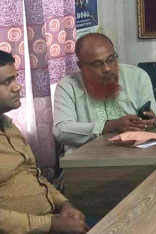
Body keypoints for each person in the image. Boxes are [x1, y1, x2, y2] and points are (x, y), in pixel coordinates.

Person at [0, 50, 90, 234]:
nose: (17, 87)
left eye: (15, 79)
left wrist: (64, 204)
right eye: (6, 82)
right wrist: (51, 225)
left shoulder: (8, 126)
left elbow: (33, 175)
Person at [53, 33, 156, 148]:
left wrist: (153, 122)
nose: (107, 68)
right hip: (87, 156)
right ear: (81, 66)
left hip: (134, 153)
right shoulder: (68, 86)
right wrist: (108, 126)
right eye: (97, 64)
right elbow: (61, 130)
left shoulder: (138, 77)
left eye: (111, 59)